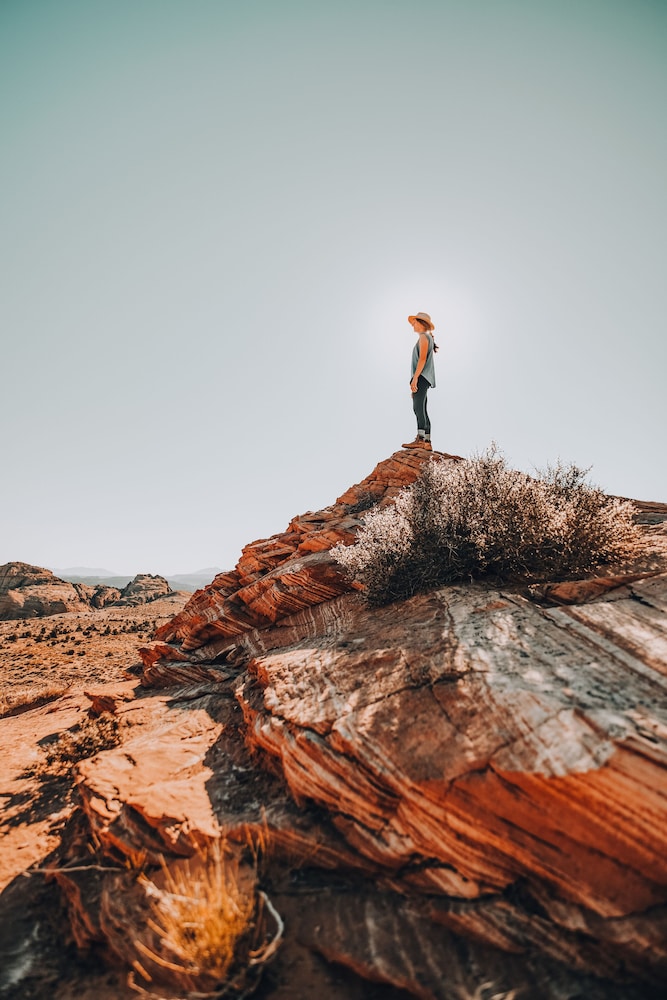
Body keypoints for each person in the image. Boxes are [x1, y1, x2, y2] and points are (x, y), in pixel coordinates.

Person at [403, 311, 438, 451]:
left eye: (415, 323)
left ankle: (421, 439)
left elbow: (422, 359)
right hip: (425, 378)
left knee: (418, 408)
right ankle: (427, 442)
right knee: (422, 408)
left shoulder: (424, 337)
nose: (413, 326)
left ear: (421, 324)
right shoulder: (428, 338)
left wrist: (415, 378)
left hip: (422, 376)